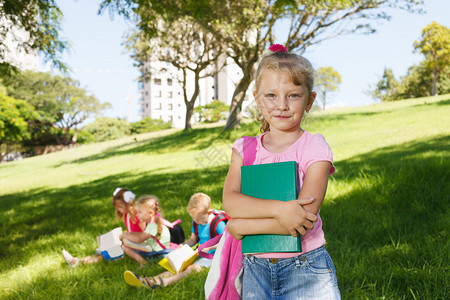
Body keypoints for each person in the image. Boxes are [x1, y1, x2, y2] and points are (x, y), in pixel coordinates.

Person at [222, 45, 341, 299]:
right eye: (271, 96)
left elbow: (302, 220)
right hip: (255, 269)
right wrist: (280, 210)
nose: (282, 105)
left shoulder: (314, 146)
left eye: (294, 96)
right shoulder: (244, 149)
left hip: (306, 268)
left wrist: (241, 224)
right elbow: (231, 203)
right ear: (257, 99)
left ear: (309, 100)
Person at [123, 192, 225, 289]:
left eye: (199, 218)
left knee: (192, 268)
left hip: (214, 255)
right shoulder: (196, 222)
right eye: (193, 218)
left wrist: (209, 248)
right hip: (200, 253)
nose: (196, 221)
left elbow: (227, 243)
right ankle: (148, 280)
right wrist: (183, 245)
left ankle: (165, 282)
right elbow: (193, 239)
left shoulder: (218, 224)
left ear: (209, 212)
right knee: (178, 266)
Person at [62, 187, 145, 267]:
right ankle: (77, 261)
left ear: (129, 203)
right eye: (118, 208)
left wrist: (127, 236)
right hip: (130, 243)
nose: (119, 210)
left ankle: (77, 262)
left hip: (137, 245)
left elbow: (145, 234)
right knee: (104, 251)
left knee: (106, 254)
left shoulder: (137, 215)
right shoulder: (127, 215)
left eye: (121, 206)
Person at [119, 195, 172, 267]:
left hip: (158, 254)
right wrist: (129, 234)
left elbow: (139, 239)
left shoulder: (153, 225)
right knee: (126, 245)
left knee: (125, 247)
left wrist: (125, 235)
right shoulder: (152, 223)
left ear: (150, 213)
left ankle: (143, 263)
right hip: (157, 250)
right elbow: (141, 235)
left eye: (140, 212)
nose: (137, 215)